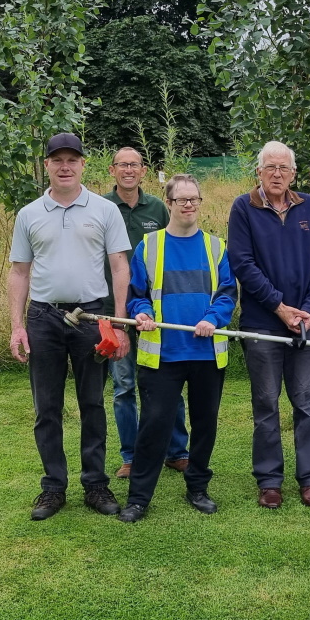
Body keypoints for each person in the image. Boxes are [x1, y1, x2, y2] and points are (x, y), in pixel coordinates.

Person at [8, 132, 131, 521]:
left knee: (92, 402)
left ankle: (95, 484)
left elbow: (119, 267)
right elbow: (19, 271)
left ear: (82, 165)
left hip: (92, 318)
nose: (65, 166)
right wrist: (17, 325)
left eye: (72, 160)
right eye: (57, 160)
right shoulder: (28, 214)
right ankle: (53, 488)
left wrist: (122, 323)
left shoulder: (104, 210)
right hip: (43, 318)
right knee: (47, 406)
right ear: (47, 165)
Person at [118, 174, 237, 521]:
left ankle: (197, 487)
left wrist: (213, 319)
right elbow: (136, 296)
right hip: (163, 357)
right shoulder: (149, 246)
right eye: (181, 199)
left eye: (194, 199)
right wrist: (141, 315)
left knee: (205, 426)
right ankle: (139, 498)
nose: (188, 204)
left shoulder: (216, 247)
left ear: (200, 203)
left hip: (206, 355)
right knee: (154, 426)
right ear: (168, 204)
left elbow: (228, 293)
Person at [227, 141, 310, 509]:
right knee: (266, 403)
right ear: (259, 171)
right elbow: (242, 263)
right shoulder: (243, 208)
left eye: (283, 168)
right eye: (270, 167)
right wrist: (279, 307)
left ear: (294, 173)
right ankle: (270, 480)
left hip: (307, 322)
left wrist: (309, 311)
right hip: (262, 324)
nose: (276, 174)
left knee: (306, 402)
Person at [103, 147, 189, 479]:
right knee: (124, 385)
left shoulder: (157, 207)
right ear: (112, 170)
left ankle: (176, 451)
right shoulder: (100, 207)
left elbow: (176, 245)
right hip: (115, 314)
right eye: (122, 165)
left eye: (134, 165)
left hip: (157, 314)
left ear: (144, 170)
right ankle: (131, 455)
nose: (128, 170)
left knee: (167, 383)